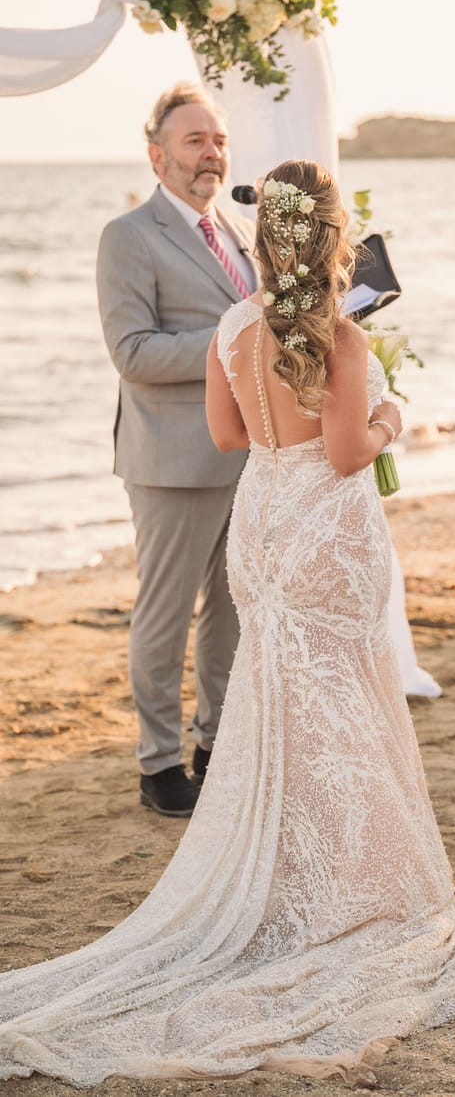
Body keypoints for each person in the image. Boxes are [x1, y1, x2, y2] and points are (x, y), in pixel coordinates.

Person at [0, 161, 455, 1085]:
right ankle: (346, 893)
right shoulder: (343, 340)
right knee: (344, 705)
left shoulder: (234, 326)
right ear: (332, 240)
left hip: (266, 523)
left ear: (264, 240)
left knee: (281, 704)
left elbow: (232, 437)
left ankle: (282, 882)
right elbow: (350, 453)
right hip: (327, 524)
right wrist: (393, 416)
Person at [97, 83, 256, 817]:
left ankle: (215, 744)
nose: (211, 153)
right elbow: (134, 354)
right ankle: (158, 763)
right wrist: (240, 336)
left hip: (248, 454)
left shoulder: (240, 234)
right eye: (195, 141)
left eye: (218, 140)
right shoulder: (128, 236)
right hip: (169, 460)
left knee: (230, 611)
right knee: (163, 616)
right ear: (158, 155)